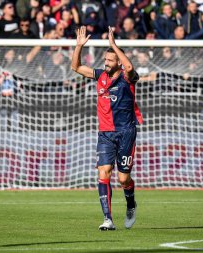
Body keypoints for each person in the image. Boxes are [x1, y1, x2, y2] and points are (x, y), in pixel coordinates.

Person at [71, 26, 143, 230]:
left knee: (123, 178)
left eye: (110, 60)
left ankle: (130, 203)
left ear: (118, 62)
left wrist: (114, 45)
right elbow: (76, 67)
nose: (106, 63)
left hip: (126, 132)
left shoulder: (128, 78)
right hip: (105, 134)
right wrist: (78, 46)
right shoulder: (100, 75)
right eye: (105, 59)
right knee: (104, 172)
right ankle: (108, 219)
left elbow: (129, 68)